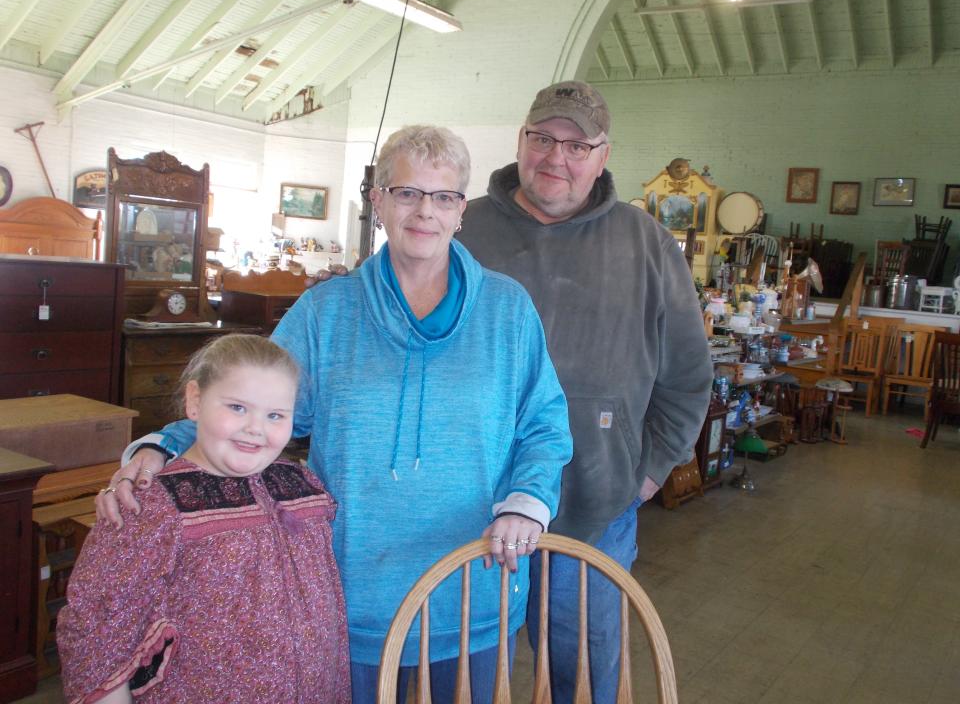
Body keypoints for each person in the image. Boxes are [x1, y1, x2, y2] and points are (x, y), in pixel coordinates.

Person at [97, 126, 573, 703]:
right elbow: (256, 407)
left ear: (461, 211)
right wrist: (162, 446)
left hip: (472, 588)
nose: (425, 212)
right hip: (348, 597)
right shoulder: (326, 313)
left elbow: (544, 424)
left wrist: (528, 503)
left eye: (444, 197)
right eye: (406, 193)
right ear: (377, 201)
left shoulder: (507, 310)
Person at [457, 80, 713, 703]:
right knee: (459, 671)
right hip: (468, 502)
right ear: (521, 139)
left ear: (603, 155)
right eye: (543, 138)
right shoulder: (460, 227)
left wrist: (647, 472)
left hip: (595, 507)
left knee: (585, 677)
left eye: (577, 145)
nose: (556, 157)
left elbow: (688, 374)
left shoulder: (647, 242)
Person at [59, 334, 350, 703]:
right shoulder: (150, 506)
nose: (256, 428)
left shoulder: (304, 486)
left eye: (275, 415)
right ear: (195, 401)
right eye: (237, 408)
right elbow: (94, 632)